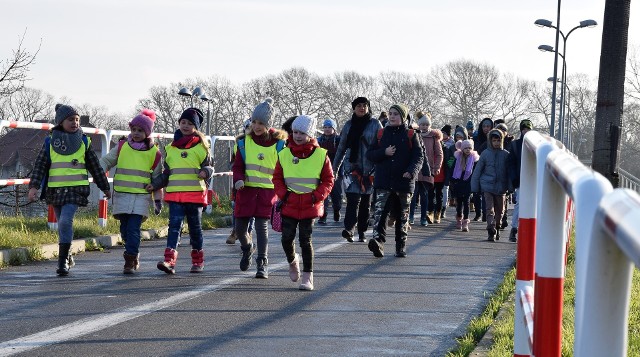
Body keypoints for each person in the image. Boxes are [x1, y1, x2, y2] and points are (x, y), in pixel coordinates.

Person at [28, 104, 112, 276]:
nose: (74, 122)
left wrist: (105, 186)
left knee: (66, 222)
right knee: (62, 225)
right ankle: (68, 255)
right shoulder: (50, 142)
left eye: (77, 120)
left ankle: (62, 262)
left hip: (75, 191)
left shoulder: (84, 141)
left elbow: (95, 167)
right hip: (55, 191)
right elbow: (40, 166)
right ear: (60, 122)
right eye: (70, 119)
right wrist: (34, 187)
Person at [273, 115, 334, 290]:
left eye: (302, 133)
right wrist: (284, 196)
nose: (298, 136)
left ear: (310, 134)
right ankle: (293, 261)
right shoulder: (284, 154)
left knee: (305, 241)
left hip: (310, 205)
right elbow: (277, 178)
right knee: (286, 239)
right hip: (289, 203)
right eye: (295, 132)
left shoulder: (321, 155)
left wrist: (316, 196)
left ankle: (308, 277)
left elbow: (328, 180)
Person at [99, 109, 164, 274]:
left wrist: (157, 200)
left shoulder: (154, 153)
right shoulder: (122, 147)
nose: (136, 133)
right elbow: (107, 161)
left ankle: (130, 259)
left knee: (133, 229)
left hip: (141, 197)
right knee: (124, 229)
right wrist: (98, 172)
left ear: (147, 133)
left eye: (140, 130)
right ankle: (133, 254)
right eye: (133, 129)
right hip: (121, 194)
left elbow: (157, 179)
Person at [151, 107, 213, 274]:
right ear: (179, 123)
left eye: (190, 123)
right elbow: (167, 173)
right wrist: (155, 185)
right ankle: (169, 261)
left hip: (194, 196)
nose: (185, 126)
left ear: (196, 127)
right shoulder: (170, 148)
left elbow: (210, 167)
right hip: (175, 195)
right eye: (183, 122)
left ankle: (198, 261)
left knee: (195, 229)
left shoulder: (202, 147)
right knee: (174, 228)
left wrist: (205, 172)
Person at [232, 98, 287, 278]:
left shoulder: (278, 144)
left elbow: (282, 169)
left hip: (266, 192)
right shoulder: (243, 142)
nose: (256, 126)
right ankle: (247, 248)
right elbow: (238, 166)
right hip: (245, 191)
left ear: (268, 124)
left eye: (261, 123)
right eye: (254, 122)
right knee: (240, 228)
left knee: (262, 227)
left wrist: (282, 190)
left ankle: (262, 262)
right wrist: (238, 180)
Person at [366, 104, 423, 258]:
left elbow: (418, 157)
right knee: (380, 215)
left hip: (403, 183)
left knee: (402, 216)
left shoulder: (411, 134)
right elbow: (370, 154)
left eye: (396, 114)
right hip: (383, 182)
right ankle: (378, 242)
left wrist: (411, 172)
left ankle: (400, 246)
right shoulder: (380, 133)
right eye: (390, 114)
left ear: (403, 117)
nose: (392, 117)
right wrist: (383, 152)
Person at [333, 97, 382, 243]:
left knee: (365, 203)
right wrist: (334, 169)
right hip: (351, 168)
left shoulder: (375, 124)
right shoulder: (348, 125)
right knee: (352, 200)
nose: (362, 108)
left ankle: (362, 231)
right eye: (359, 106)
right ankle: (349, 229)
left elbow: (381, 146)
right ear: (354, 108)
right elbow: (341, 148)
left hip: (369, 169)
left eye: (365, 106)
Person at [471, 129, 512, 241]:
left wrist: (510, 187)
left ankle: (497, 227)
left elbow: (509, 173)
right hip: (487, 186)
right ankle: (490, 229)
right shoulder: (485, 154)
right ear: (490, 141)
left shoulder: (506, 155)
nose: (496, 143)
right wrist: (475, 186)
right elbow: (478, 170)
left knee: (500, 210)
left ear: (502, 141)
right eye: (494, 140)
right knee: (490, 209)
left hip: (501, 188)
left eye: (498, 140)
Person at [410, 111, 442, 226]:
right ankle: (411, 216)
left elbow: (439, 154)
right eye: (422, 124)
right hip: (415, 169)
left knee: (424, 195)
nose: (424, 127)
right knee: (413, 194)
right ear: (419, 124)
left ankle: (424, 217)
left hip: (428, 170)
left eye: (426, 125)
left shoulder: (434, 137)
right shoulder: (414, 134)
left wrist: (436, 168)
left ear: (429, 125)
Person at [227, 119, 255, 245]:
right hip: (239, 181)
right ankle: (235, 231)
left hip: (255, 181)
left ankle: (249, 232)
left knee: (253, 210)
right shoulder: (239, 144)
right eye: (248, 128)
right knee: (236, 207)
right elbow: (233, 163)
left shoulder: (262, 144)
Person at [507, 119, 533, 242]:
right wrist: (514, 178)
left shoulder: (537, 146)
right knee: (519, 204)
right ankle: (514, 228)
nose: (526, 131)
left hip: (533, 180)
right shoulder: (515, 145)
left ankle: (530, 231)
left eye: (528, 129)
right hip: (520, 179)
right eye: (524, 129)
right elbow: (511, 163)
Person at [449, 139, 479, 232]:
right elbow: (452, 170)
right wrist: (452, 181)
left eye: (470, 148)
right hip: (458, 183)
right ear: (462, 149)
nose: (468, 150)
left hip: (468, 183)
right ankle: (459, 217)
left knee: (466, 202)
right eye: (466, 148)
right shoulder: (458, 158)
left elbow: (476, 172)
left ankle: (465, 221)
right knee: (459, 203)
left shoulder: (474, 159)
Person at [317, 118, 342, 224]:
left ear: (334, 128)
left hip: (335, 170)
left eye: (329, 127)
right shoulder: (319, 141)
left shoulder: (339, 140)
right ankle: (323, 216)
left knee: (336, 195)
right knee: (323, 195)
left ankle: (337, 210)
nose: (327, 129)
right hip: (322, 171)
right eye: (325, 127)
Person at [471, 117, 494, 222]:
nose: (486, 128)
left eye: (488, 126)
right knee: (476, 191)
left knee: (486, 192)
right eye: (484, 126)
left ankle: (486, 213)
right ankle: (478, 213)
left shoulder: (494, 139)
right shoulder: (476, 139)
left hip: (489, 168)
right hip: (477, 166)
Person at [440, 124, 455, 218]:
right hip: (440, 168)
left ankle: (443, 208)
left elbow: (452, 158)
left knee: (445, 189)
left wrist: (448, 165)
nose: (442, 134)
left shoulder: (452, 144)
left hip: (448, 169)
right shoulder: (438, 142)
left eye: (444, 133)